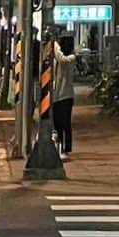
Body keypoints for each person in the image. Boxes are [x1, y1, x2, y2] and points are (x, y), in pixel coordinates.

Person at [48, 27, 77, 159]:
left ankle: (66, 147)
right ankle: (60, 146)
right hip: (57, 95)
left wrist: (53, 42)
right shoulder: (58, 59)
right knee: (57, 122)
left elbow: (61, 59)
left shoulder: (70, 58)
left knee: (65, 122)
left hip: (66, 95)